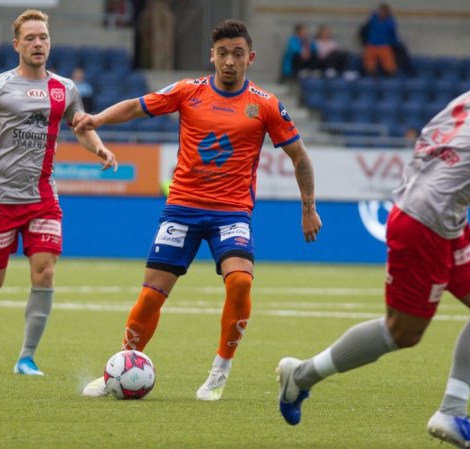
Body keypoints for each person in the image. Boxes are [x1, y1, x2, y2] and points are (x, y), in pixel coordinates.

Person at [277, 25, 470, 449]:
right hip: (428, 218)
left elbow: (428, 140)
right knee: (402, 332)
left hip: (438, 215)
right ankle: (300, 375)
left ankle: (452, 413)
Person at [78, 19, 322, 401]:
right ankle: (121, 367)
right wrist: (97, 119)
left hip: (232, 213)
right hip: (182, 209)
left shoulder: (265, 104)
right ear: (212, 55)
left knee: (240, 282)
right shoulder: (187, 91)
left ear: (250, 58)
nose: (229, 61)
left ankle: (219, 372)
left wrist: (308, 207)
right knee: (151, 297)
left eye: (237, 54)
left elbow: (299, 155)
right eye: (222, 53)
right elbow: (137, 107)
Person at [0, 9, 117, 376]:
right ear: (17, 45)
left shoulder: (65, 89)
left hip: (43, 196)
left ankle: (26, 357)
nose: (38, 43)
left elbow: (81, 126)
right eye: (30, 37)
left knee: (44, 273)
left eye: (43, 36)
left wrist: (100, 148)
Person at [359, 3, 399, 76]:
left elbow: (393, 35)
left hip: (384, 46)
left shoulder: (390, 22)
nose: (381, 13)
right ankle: (371, 80)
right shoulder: (373, 18)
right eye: (380, 11)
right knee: (369, 67)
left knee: (390, 68)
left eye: (383, 11)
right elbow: (364, 29)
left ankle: (390, 82)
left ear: (387, 12)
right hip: (371, 46)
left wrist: (394, 44)